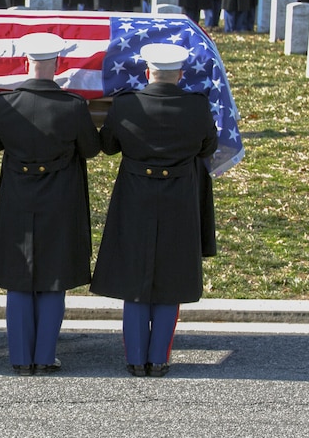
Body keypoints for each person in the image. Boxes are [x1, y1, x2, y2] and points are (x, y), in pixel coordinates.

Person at [90, 43, 217, 377]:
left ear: (148, 73)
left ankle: (135, 358)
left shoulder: (126, 104)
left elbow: (109, 145)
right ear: (180, 74)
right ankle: (158, 359)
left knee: (135, 278)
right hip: (179, 198)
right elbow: (209, 146)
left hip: (135, 196)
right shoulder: (197, 107)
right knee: (170, 279)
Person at [0, 33, 99, 375]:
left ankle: (20, 357)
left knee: (20, 278)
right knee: (53, 276)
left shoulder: (4, 104)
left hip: (18, 198)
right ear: (58, 65)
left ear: (25, 63)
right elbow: (90, 148)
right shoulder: (73, 106)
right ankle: (45, 356)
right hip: (60, 200)